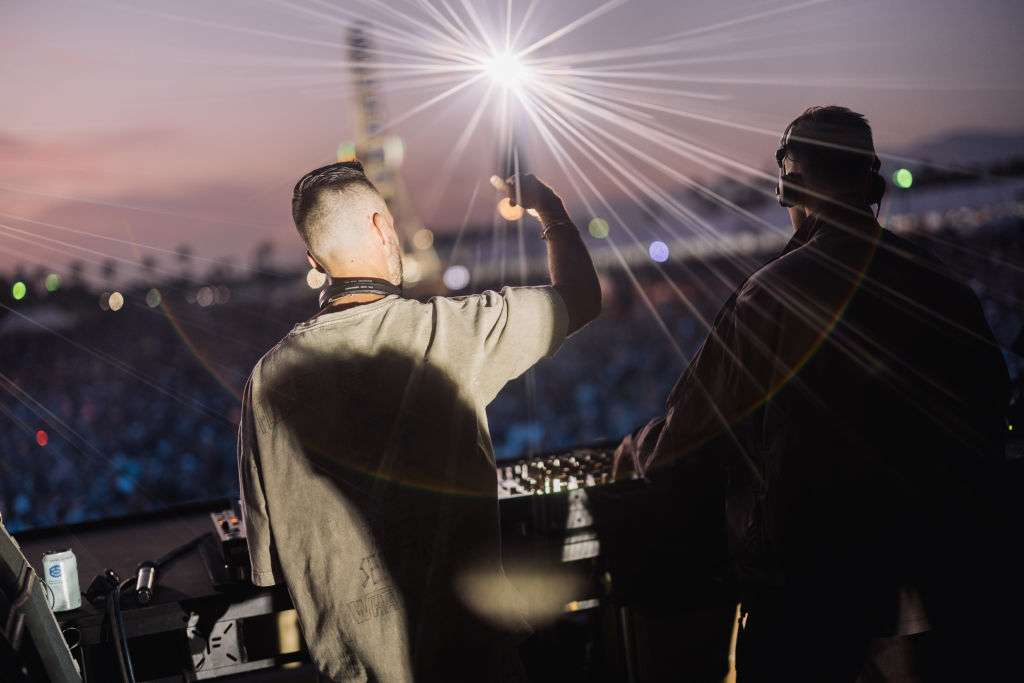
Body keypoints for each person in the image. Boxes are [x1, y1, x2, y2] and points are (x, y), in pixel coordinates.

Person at [614, 106, 1014, 681]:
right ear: (870, 182)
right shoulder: (944, 284)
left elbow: (687, 438)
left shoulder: (769, 295)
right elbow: (989, 399)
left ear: (787, 185)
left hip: (811, 608)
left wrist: (635, 449)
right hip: (946, 591)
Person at [237, 161, 600, 682]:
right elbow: (582, 297)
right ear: (384, 228)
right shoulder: (450, 332)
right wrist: (550, 208)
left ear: (315, 259)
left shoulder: (264, 382)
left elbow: (269, 566)